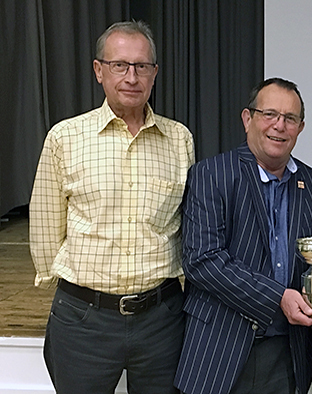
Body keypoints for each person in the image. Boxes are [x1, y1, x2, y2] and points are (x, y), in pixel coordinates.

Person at [29, 21, 195, 394]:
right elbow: (44, 225)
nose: (131, 76)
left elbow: (184, 223)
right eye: (119, 65)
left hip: (162, 319)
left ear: (154, 74)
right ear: (98, 70)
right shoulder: (65, 138)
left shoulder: (179, 139)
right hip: (84, 319)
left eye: (141, 66)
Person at [174, 77, 312, 394]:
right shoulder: (211, 175)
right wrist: (278, 296)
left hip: (288, 354)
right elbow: (202, 260)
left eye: (290, 119)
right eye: (269, 114)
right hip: (219, 350)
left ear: (300, 128)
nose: (279, 126)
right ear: (248, 119)